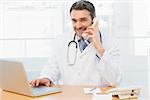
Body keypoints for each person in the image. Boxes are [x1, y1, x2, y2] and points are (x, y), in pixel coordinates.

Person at [31, 0, 122, 87]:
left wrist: (99, 48)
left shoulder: (111, 43)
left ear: (94, 20)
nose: (78, 26)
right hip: (69, 96)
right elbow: (52, 68)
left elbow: (114, 81)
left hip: (97, 96)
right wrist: (46, 78)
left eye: (83, 20)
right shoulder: (61, 41)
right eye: (74, 20)